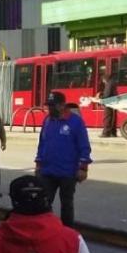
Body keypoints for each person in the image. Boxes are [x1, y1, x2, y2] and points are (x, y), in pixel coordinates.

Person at [36, 92, 92, 227]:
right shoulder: (48, 120)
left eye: (52, 106)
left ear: (62, 106)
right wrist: (38, 163)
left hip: (67, 172)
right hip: (47, 170)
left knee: (66, 204)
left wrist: (83, 167)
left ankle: (67, 233)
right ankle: (45, 229)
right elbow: (42, 143)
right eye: (48, 106)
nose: (49, 109)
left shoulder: (75, 122)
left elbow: (84, 146)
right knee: (44, 202)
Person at [100, 72, 118, 138]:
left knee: (107, 117)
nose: (104, 83)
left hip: (109, 103)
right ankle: (113, 133)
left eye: (103, 81)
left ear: (105, 79)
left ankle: (106, 133)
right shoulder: (113, 82)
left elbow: (107, 94)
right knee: (113, 118)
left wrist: (101, 98)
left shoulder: (109, 84)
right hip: (114, 102)